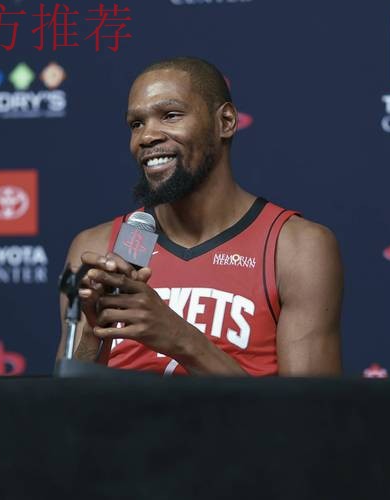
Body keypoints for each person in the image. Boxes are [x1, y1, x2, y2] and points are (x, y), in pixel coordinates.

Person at [57, 57, 343, 376]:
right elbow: (64, 401)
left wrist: (181, 339)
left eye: (170, 115)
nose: (146, 137)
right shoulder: (99, 246)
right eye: (136, 124)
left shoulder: (295, 247)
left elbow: (308, 407)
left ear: (226, 122)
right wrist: (93, 334)